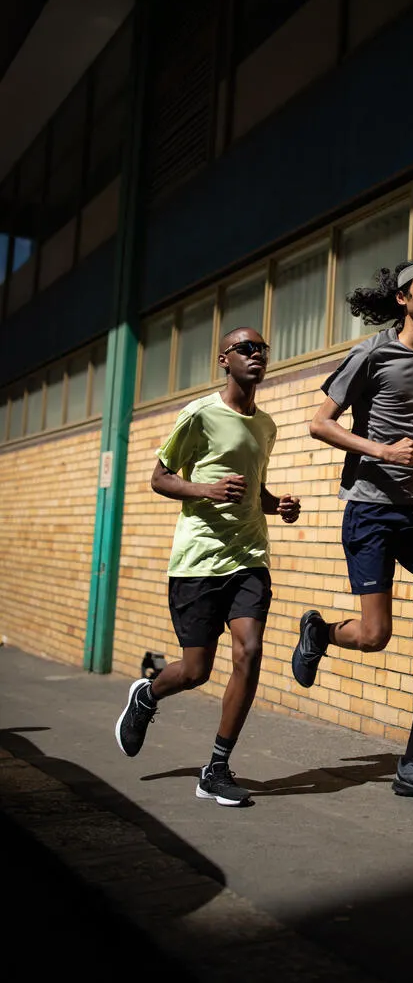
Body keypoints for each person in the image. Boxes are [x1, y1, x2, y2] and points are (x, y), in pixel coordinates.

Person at [291, 260, 413, 805]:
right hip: (371, 509)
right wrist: (382, 450)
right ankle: (320, 633)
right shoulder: (372, 353)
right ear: (402, 299)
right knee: (375, 637)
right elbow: (319, 422)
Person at [115, 326, 300, 806]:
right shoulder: (199, 414)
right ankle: (147, 695)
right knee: (196, 671)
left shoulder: (267, 425)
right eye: (246, 348)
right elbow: (160, 478)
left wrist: (276, 505)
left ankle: (217, 767)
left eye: (262, 348)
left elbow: (255, 491)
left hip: (249, 558)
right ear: (225, 359)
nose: (256, 354)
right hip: (198, 560)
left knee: (250, 650)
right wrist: (205, 490)